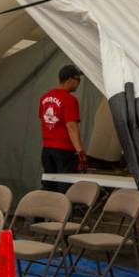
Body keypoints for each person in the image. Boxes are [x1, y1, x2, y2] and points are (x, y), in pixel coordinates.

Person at [39, 64, 87, 192]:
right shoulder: (69, 100)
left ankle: (46, 211)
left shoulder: (45, 97)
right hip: (64, 149)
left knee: (49, 186)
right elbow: (71, 126)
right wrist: (80, 152)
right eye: (78, 80)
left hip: (47, 149)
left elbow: (43, 120)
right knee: (64, 187)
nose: (79, 84)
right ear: (70, 79)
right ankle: (62, 211)